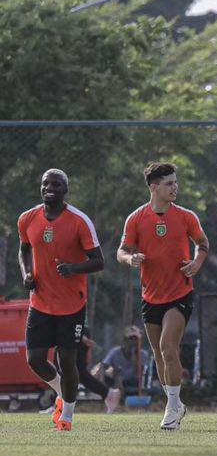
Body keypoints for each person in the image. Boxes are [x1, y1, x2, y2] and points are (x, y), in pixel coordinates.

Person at [118, 162, 209, 431]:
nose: (175, 187)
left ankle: (171, 408)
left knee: (170, 347)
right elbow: (121, 250)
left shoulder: (186, 216)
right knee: (158, 354)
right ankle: (176, 404)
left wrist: (197, 263)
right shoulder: (136, 218)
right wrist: (129, 258)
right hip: (150, 296)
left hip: (180, 294)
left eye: (175, 182)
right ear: (153, 187)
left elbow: (202, 244)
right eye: (169, 183)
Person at [18, 168, 104, 431]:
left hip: (71, 304)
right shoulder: (27, 218)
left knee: (67, 361)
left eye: (55, 184)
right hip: (40, 302)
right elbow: (23, 251)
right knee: (34, 359)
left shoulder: (79, 220)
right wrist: (27, 274)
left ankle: (66, 416)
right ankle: (60, 391)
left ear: (65, 189)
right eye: (45, 184)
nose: (49, 188)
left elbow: (99, 261)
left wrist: (73, 268)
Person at [101, 326, 150, 392]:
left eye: (136, 339)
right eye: (131, 339)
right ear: (125, 340)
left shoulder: (143, 354)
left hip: (133, 383)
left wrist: (134, 357)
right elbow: (104, 366)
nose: (134, 341)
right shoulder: (115, 352)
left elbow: (139, 373)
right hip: (116, 381)